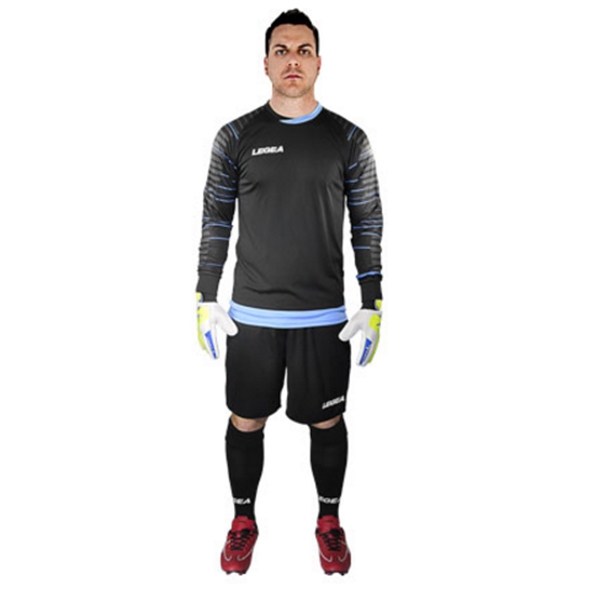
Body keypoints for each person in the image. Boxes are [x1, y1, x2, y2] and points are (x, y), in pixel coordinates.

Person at [195, 9, 383, 576]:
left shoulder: (348, 138)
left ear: (319, 62)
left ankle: (329, 521)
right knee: (245, 420)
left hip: (323, 318)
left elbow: (367, 220)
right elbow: (216, 218)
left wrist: (372, 300)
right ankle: (242, 520)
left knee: (326, 423)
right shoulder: (235, 136)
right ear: (266, 63)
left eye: (303, 50)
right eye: (282, 50)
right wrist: (206, 295)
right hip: (251, 316)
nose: (292, 60)